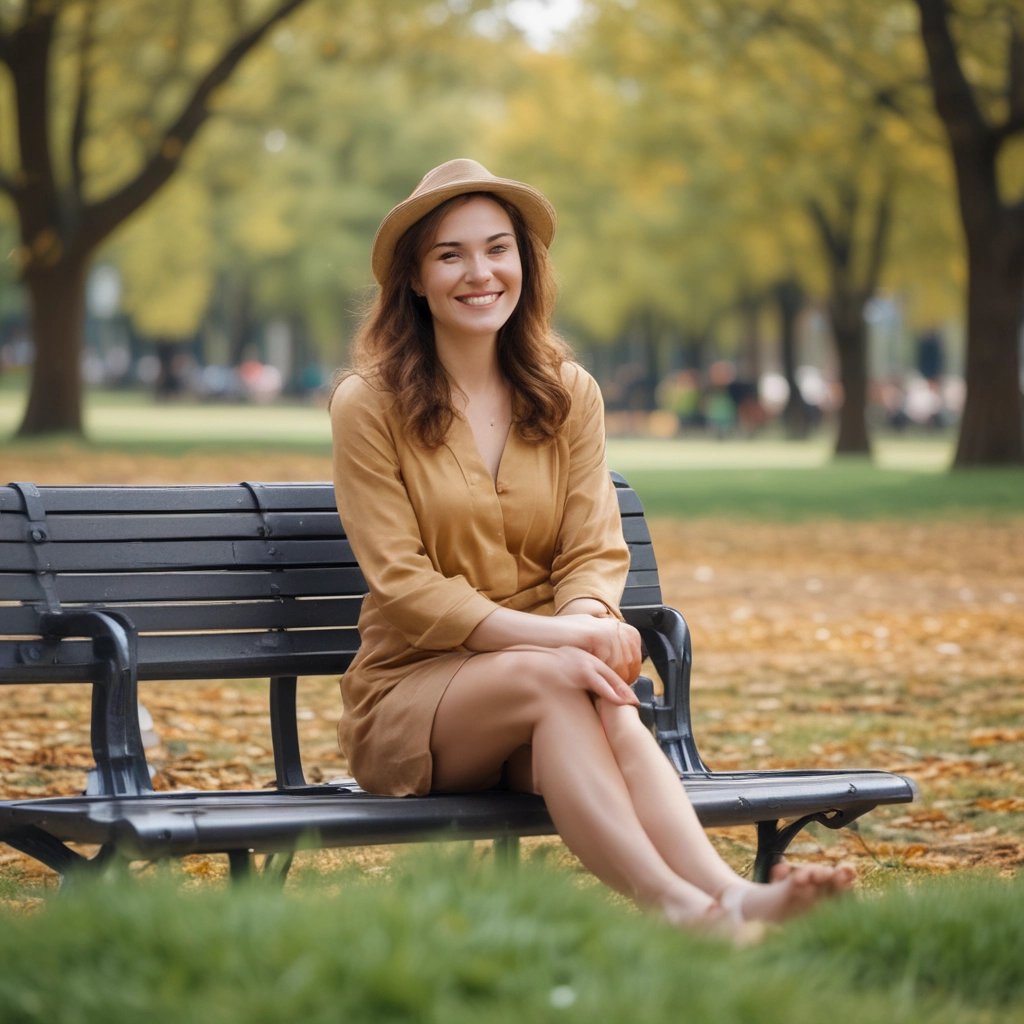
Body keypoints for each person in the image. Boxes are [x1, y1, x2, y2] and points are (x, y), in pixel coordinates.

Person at [329, 158, 853, 939]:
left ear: (525, 264)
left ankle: (727, 897)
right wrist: (563, 637)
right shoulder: (368, 405)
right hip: (414, 699)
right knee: (566, 678)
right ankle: (681, 908)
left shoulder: (568, 393)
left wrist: (583, 616)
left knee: (592, 701)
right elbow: (403, 585)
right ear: (413, 277)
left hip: (549, 688)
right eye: (451, 254)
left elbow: (593, 549)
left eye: (498, 248)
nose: (480, 272)